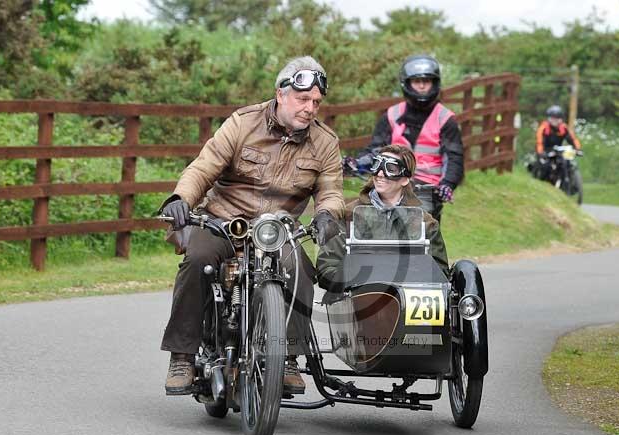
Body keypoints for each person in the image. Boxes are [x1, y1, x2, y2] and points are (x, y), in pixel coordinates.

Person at [159, 56, 344, 396]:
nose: (310, 108)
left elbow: (331, 190)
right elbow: (204, 167)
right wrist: (181, 199)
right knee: (198, 262)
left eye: (316, 102)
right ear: (281, 93)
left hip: (277, 232)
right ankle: (182, 355)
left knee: (300, 270)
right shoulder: (242, 123)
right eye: (303, 99)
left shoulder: (326, 142)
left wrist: (328, 214)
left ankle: (287, 357)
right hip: (223, 222)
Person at [317, 144, 449, 290]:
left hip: (407, 306)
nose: (380, 174)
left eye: (390, 169)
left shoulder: (425, 223)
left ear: (405, 179)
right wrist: (356, 280)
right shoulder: (348, 215)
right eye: (377, 165)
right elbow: (327, 268)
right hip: (358, 303)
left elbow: (439, 276)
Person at [352, 54, 464, 223]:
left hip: (427, 190)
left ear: (435, 83)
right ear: (407, 83)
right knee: (356, 219)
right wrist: (356, 163)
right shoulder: (391, 115)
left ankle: (428, 250)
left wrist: (447, 185)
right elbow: (375, 151)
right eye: (416, 80)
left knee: (419, 229)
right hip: (389, 185)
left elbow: (454, 158)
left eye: (426, 81)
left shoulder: (445, 119)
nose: (421, 85)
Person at [534, 105, 582, 183]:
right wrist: (541, 152)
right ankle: (543, 182)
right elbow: (539, 142)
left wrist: (578, 149)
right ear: (549, 118)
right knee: (546, 166)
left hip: (559, 149)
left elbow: (573, 139)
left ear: (561, 119)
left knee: (567, 162)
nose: (554, 121)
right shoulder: (544, 128)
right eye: (552, 118)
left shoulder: (564, 128)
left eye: (557, 118)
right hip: (546, 150)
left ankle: (570, 182)